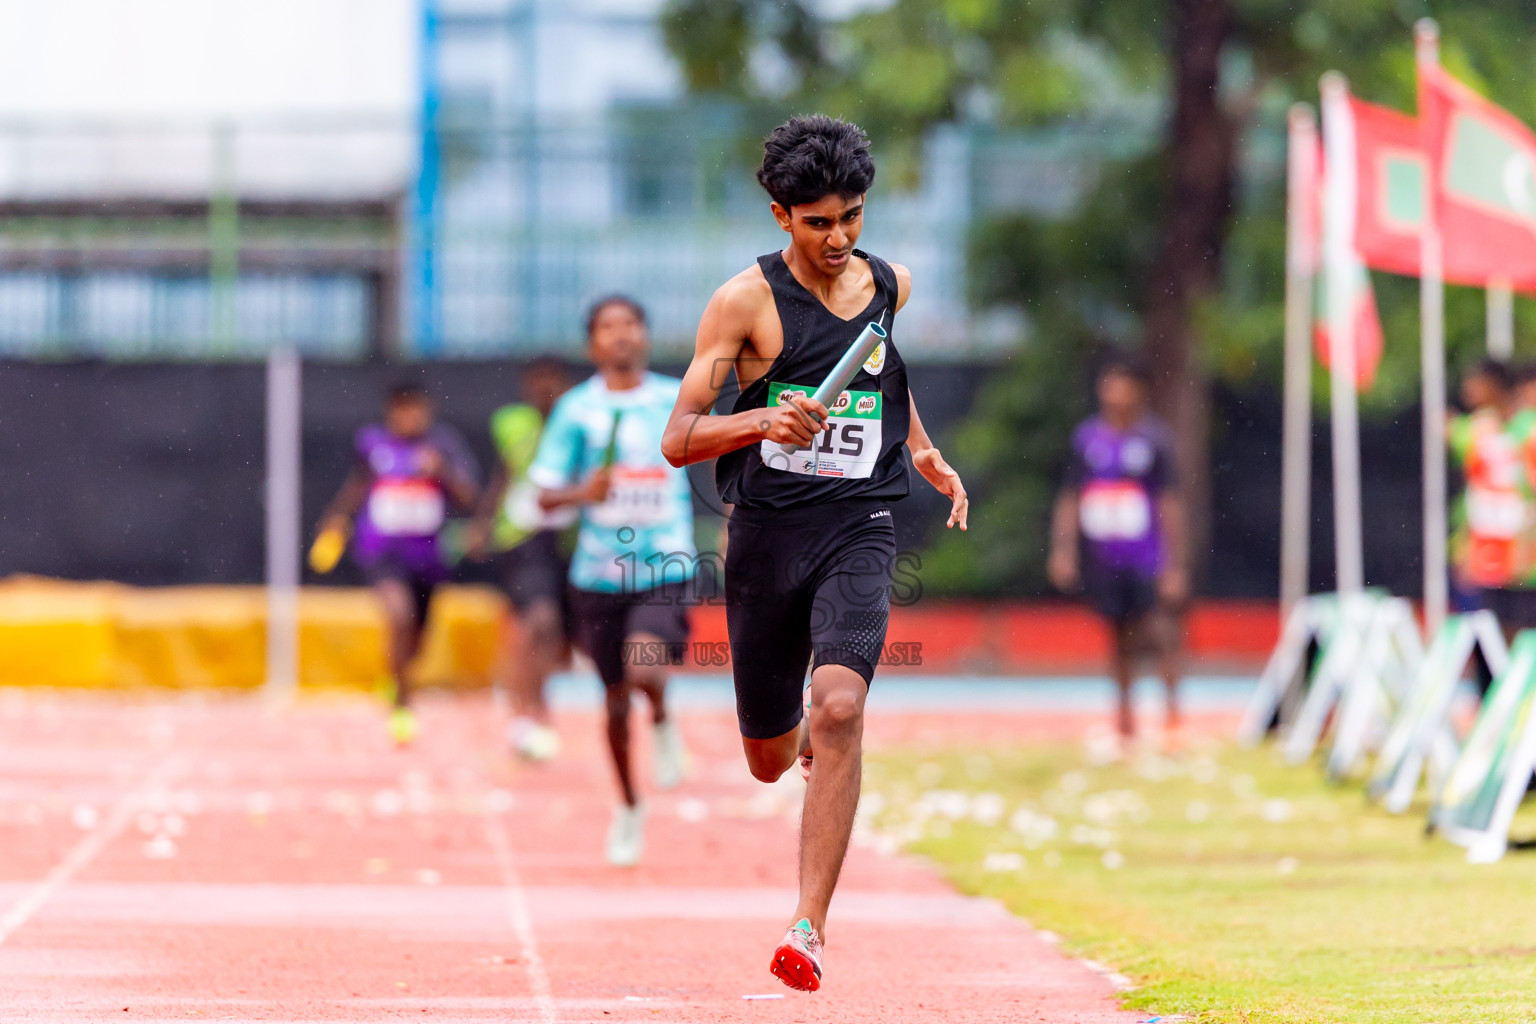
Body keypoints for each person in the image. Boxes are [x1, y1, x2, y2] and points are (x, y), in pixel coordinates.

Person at [660, 115, 969, 993]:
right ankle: (791, 740)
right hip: (765, 537)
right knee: (768, 757)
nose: (839, 239)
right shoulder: (744, 304)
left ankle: (809, 925)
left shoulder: (888, 286)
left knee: (839, 707)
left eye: (853, 217)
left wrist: (920, 451)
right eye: (818, 222)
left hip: (858, 523)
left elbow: (882, 377)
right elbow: (678, 437)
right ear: (779, 215)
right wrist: (762, 418)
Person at [529, 295, 694, 867]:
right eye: (608, 327)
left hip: (664, 564)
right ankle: (628, 805)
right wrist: (583, 494)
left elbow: (721, 449)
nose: (621, 335)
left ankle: (665, 714)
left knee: (644, 665)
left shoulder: (677, 397)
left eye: (631, 325)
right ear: (591, 344)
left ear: (646, 336)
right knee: (614, 702)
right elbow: (542, 495)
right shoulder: (575, 411)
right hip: (597, 575)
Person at [314, 384, 479, 745]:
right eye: (402, 411)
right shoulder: (373, 444)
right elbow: (358, 486)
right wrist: (336, 517)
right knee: (398, 615)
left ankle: (397, 676)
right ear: (391, 413)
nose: (409, 418)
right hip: (383, 554)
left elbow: (469, 497)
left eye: (416, 410)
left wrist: (442, 472)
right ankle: (403, 708)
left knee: (417, 638)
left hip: (429, 558)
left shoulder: (443, 447)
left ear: (428, 411)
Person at [1047, 356, 1187, 750]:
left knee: (1159, 633)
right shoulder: (1087, 439)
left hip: (1146, 557)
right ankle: (1125, 721)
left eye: (1125, 384)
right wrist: (1064, 550)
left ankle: (1173, 718)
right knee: (1117, 636)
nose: (1116, 393)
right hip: (1104, 557)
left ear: (1138, 391)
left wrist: (1174, 564)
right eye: (1110, 383)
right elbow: (1071, 497)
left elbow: (1169, 503)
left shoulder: (1153, 440)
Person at [466, 358, 577, 762]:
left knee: (559, 636)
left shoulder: (582, 423)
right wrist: (481, 523)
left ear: (565, 387)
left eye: (552, 384)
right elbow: (505, 475)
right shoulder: (512, 424)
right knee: (537, 619)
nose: (545, 392)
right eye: (536, 385)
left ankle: (537, 698)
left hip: (571, 540)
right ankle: (526, 713)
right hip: (521, 536)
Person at [1448, 359, 1513, 614]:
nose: (1467, 387)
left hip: (1501, 533)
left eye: (1474, 380)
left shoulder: (1490, 426)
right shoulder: (1482, 424)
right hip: (1481, 529)